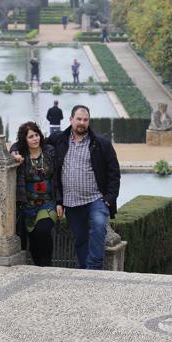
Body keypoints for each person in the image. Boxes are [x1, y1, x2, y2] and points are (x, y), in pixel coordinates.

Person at [48, 105, 120, 270]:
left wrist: (109, 198)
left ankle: (94, 268)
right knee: (80, 238)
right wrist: (15, 150)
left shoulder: (101, 143)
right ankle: (83, 269)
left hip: (96, 198)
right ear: (71, 120)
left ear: (89, 121)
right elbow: (33, 142)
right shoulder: (58, 139)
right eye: (79, 119)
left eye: (85, 120)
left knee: (99, 224)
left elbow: (114, 172)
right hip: (71, 201)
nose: (82, 123)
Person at [11, 122, 60, 267]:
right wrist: (14, 153)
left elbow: (57, 177)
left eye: (36, 135)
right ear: (24, 139)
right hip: (27, 206)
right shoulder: (21, 155)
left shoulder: (50, 151)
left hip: (48, 203)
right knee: (33, 242)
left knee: (43, 230)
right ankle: (39, 268)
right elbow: (12, 149)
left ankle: (47, 265)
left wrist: (59, 202)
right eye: (30, 136)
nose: (35, 139)